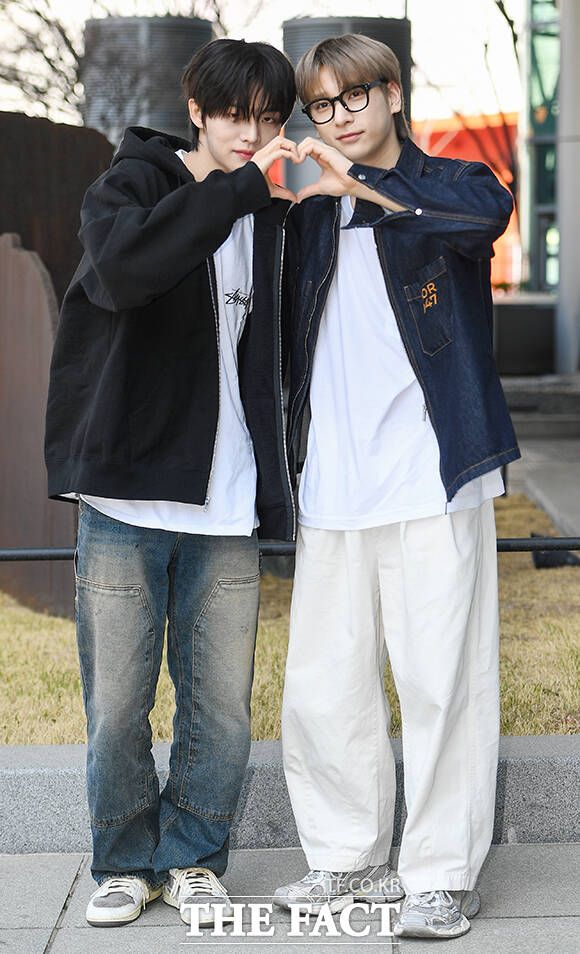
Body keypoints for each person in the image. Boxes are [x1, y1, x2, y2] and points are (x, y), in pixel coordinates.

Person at [44, 37, 297, 928]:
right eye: (234, 115)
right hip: (127, 493)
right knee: (118, 704)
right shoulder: (133, 186)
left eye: (268, 119)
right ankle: (122, 860)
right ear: (196, 110)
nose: (250, 134)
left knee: (220, 709)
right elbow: (123, 273)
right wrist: (239, 189)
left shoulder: (268, 213)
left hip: (227, 497)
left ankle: (192, 858)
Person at [274, 33, 520, 940]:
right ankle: (346, 858)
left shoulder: (449, 184)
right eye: (323, 104)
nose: (339, 117)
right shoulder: (309, 220)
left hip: (431, 475)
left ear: (392, 95)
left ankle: (441, 876)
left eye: (355, 97)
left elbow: (485, 218)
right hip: (334, 482)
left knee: (442, 680)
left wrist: (367, 188)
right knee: (324, 684)